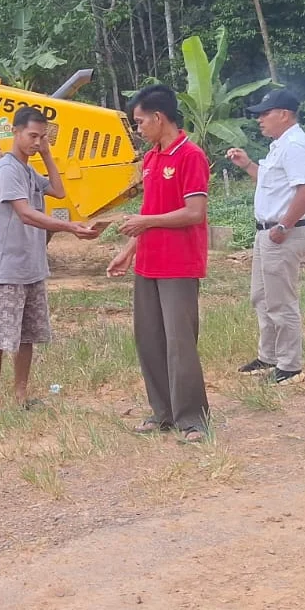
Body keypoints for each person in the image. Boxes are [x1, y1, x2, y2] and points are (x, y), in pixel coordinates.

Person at [107, 84, 212, 442]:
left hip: (178, 264)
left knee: (180, 341)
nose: (138, 129)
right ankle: (162, 411)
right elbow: (149, 212)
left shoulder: (190, 155)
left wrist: (147, 223)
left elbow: (194, 212)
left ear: (158, 117)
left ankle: (193, 419)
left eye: (139, 122)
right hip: (147, 263)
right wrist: (128, 249)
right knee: (149, 339)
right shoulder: (152, 159)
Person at [0, 105, 101, 411]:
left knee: (27, 336)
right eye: (32, 136)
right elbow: (25, 214)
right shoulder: (7, 169)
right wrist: (68, 227)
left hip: (32, 267)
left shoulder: (28, 170)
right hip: (8, 268)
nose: (37, 142)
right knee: (0, 337)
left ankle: (21, 395)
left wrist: (48, 154)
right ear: (16, 132)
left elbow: (59, 192)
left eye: (42, 137)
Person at [227, 87, 305, 385]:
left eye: (265, 114)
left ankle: (290, 366)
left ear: (284, 114)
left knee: (281, 301)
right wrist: (248, 165)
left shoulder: (295, 146)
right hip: (268, 234)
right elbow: (274, 184)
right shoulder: (280, 145)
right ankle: (269, 357)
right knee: (262, 297)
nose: (260, 120)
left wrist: (284, 226)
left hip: (282, 233)